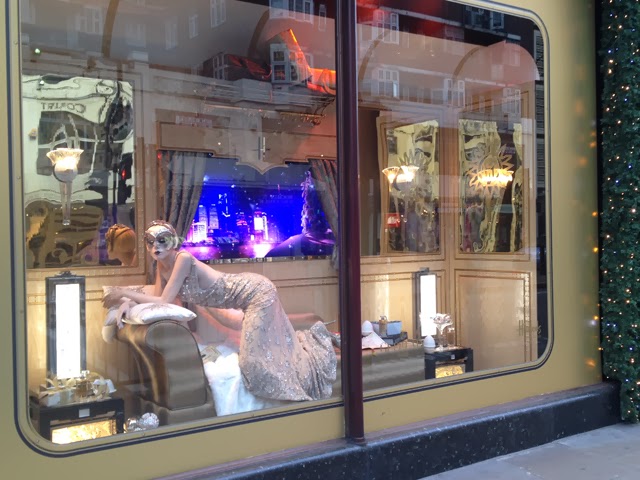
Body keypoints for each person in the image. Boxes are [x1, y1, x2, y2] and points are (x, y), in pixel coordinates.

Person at [103, 220, 337, 403]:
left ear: (173, 242)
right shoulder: (161, 267)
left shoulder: (183, 259)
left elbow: (163, 299)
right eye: (150, 241)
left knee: (255, 365)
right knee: (262, 358)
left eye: (162, 240)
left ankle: (310, 371)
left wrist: (123, 291)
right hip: (245, 300)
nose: (156, 247)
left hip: (256, 292)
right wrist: (127, 303)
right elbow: (158, 300)